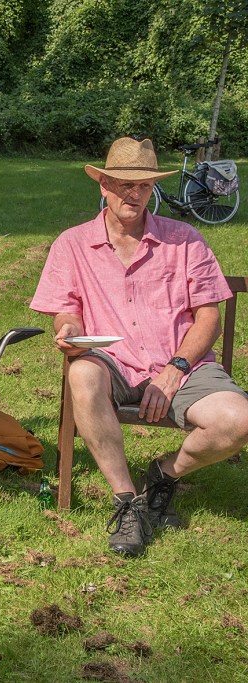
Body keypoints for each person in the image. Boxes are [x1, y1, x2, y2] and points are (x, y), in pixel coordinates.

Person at [31, 135, 248, 556]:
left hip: (181, 364)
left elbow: (209, 318)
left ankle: (164, 475)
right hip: (112, 361)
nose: (134, 194)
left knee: (238, 421)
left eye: (144, 186)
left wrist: (174, 370)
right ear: (104, 185)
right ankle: (128, 503)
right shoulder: (72, 244)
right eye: (124, 185)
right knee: (82, 372)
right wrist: (69, 328)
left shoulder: (185, 239)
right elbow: (66, 311)